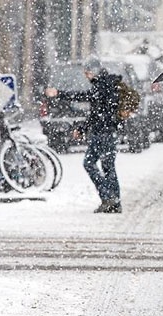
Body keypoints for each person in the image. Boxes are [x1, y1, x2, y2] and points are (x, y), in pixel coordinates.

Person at [45, 58, 123, 213]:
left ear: (94, 71)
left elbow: (95, 111)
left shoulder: (101, 86)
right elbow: (94, 108)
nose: (86, 75)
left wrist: (82, 128)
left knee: (90, 163)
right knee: (108, 167)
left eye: (87, 72)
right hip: (106, 131)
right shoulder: (106, 84)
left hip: (102, 132)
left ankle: (109, 198)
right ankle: (114, 201)